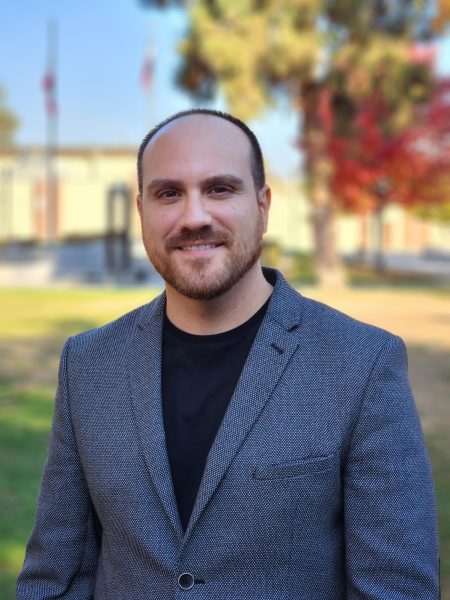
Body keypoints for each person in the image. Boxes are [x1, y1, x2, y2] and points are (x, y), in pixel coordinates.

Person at [17, 109, 439, 599]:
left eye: (220, 189)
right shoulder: (87, 365)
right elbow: (57, 578)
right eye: (168, 193)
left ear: (262, 205)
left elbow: (395, 590)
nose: (194, 216)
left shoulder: (362, 364)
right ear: (142, 210)